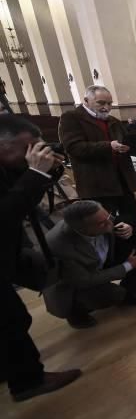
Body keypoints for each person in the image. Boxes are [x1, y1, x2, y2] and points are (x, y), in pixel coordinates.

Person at [0, 115, 81, 402]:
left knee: (11, 319)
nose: (33, 153)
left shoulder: (6, 165)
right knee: (11, 319)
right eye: (27, 148)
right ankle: (28, 381)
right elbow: (6, 214)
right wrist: (35, 175)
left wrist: (49, 173)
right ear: (4, 145)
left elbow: (19, 198)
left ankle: (10, 368)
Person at [43, 201, 136, 329]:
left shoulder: (98, 219)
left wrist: (127, 226)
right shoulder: (58, 244)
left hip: (97, 261)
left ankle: (130, 293)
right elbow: (85, 280)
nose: (110, 223)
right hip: (73, 285)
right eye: (103, 223)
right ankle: (76, 312)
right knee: (114, 294)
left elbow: (109, 221)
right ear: (82, 229)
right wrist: (128, 265)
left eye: (108, 216)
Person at [58, 85, 136, 221]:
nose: (107, 107)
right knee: (104, 225)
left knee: (132, 221)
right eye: (101, 103)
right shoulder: (72, 118)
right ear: (86, 100)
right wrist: (108, 146)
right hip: (97, 185)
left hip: (122, 183)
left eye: (109, 103)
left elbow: (125, 144)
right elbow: (73, 147)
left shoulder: (113, 121)